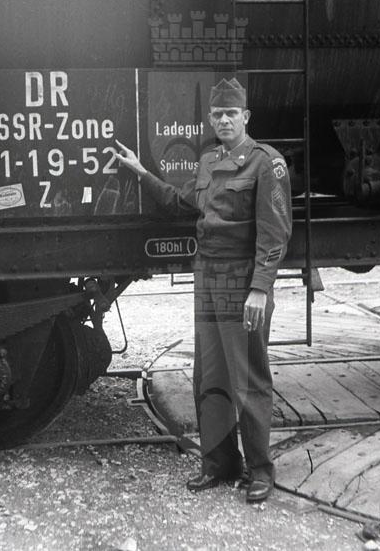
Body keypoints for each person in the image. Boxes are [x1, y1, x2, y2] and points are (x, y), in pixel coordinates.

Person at [114, 78, 292, 502]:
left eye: (231, 113)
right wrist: (141, 172)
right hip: (208, 279)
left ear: (245, 117)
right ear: (211, 120)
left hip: (242, 281)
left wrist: (260, 288)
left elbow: (276, 234)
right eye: (217, 114)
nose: (224, 120)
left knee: (248, 378)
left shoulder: (266, 163)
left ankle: (260, 470)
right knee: (209, 375)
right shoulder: (209, 160)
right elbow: (182, 202)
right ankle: (219, 463)